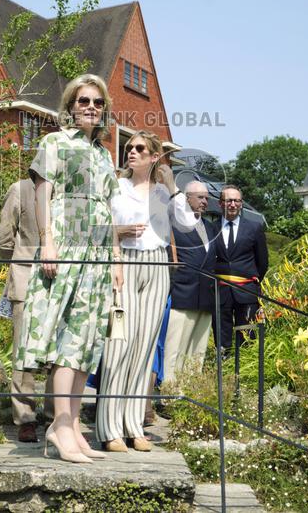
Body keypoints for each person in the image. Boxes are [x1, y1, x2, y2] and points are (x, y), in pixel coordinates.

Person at [16, 74, 123, 464]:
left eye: (97, 102)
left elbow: (108, 208)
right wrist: (47, 241)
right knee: (66, 339)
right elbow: (42, 195)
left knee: (86, 340)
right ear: (71, 106)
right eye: (84, 101)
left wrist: (115, 257)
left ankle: (73, 425)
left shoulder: (103, 154)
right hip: (66, 243)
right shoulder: (54, 143)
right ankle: (59, 426)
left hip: (97, 253)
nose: (91, 107)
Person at [96, 131, 197, 452]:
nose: (132, 152)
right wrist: (116, 246)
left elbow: (187, 224)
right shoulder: (116, 185)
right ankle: (109, 428)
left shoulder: (164, 193)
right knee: (119, 344)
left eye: (140, 148)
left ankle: (134, 425)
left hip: (156, 265)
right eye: (129, 148)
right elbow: (98, 228)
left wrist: (172, 185)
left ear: (154, 157)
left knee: (144, 347)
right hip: (125, 262)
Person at [0, 178, 45, 442]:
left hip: (64, 278)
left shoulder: (67, 191)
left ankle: (57, 415)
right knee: (23, 351)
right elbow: (4, 240)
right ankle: (26, 418)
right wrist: (20, 263)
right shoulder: (20, 189)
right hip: (26, 279)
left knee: (60, 353)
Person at [163, 180, 221, 381]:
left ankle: (190, 391)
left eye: (206, 198)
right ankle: (169, 391)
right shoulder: (174, 223)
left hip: (205, 298)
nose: (205, 202)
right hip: (182, 294)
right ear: (187, 199)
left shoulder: (210, 227)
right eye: (200, 197)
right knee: (174, 349)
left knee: (198, 353)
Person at [215, 185, 269, 350]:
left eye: (237, 201)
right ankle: (223, 363)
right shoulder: (211, 228)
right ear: (220, 203)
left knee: (247, 340)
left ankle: (243, 365)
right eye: (228, 200)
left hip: (247, 292)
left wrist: (249, 281)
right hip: (220, 292)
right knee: (221, 340)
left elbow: (262, 262)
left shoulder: (254, 228)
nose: (233, 204)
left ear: (241, 203)